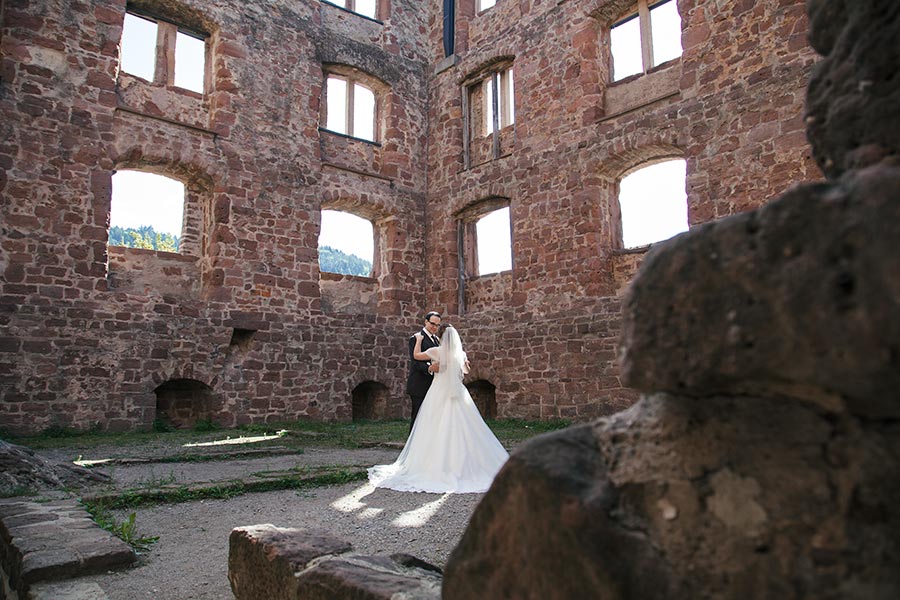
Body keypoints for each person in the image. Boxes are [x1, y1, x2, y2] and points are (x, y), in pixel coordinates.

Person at [369, 324, 509, 493]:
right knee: (464, 426)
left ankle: (432, 464)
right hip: (458, 393)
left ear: (441, 337)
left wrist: (419, 340)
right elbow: (465, 371)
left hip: (438, 392)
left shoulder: (436, 351)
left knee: (433, 424)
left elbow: (416, 356)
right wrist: (464, 363)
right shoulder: (461, 353)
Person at [406, 311, 442, 431]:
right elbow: (415, 361)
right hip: (419, 385)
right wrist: (429, 368)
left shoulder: (437, 340)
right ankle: (412, 446)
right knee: (417, 417)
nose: (435, 327)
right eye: (432, 324)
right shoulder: (416, 338)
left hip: (434, 385)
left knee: (430, 417)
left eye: (437, 325)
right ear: (426, 321)